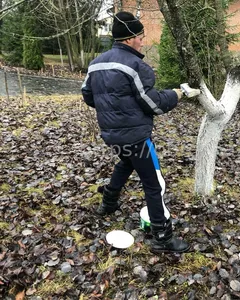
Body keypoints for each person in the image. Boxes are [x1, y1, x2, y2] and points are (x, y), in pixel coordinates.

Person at [81, 11, 190, 254]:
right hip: (137, 137)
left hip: (112, 134)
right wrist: (177, 94)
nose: (143, 40)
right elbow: (152, 104)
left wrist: (113, 109)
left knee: (126, 162)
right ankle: (162, 236)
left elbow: (89, 95)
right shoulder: (136, 66)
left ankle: (108, 203)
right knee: (153, 184)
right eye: (140, 36)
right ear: (130, 38)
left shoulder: (96, 63)